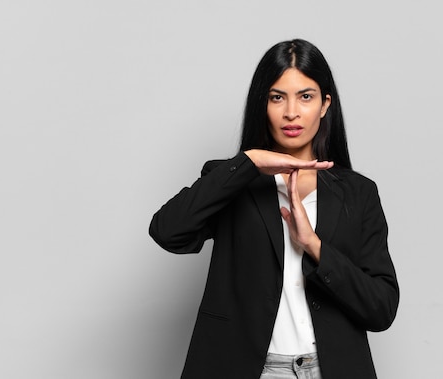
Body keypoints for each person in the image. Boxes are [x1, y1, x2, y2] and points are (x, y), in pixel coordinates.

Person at [149, 38, 399, 379]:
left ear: (325, 104)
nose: (291, 112)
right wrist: (248, 162)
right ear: (261, 105)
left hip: (330, 369)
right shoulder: (232, 181)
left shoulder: (358, 193)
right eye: (277, 97)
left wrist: (314, 246)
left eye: (305, 96)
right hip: (248, 369)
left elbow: (381, 309)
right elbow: (168, 232)